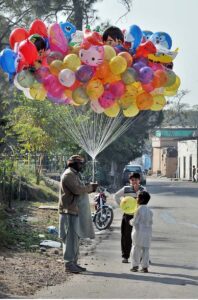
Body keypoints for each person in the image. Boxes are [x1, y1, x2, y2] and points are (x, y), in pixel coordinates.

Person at [58, 155, 98, 274]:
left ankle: (73, 262)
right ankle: (69, 264)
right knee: (70, 238)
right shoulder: (68, 175)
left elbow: (80, 188)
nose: (81, 166)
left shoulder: (74, 174)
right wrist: (90, 187)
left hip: (74, 211)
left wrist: (89, 187)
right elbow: (77, 190)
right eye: (79, 163)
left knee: (75, 238)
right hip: (68, 211)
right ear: (74, 164)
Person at [114, 172, 146, 263]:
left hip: (139, 216)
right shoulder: (126, 189)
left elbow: (145, 200)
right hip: (128, 215)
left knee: (139, 236)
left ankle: (140, 256)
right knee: (126, 236)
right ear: (130, 181)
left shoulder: (143, 189)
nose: (134, 182)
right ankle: (125, 256)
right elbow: (116, 196)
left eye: (136, 180)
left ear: (139, 180)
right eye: (132, 180)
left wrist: (137, 192)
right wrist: (122, 205)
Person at [130, 191, 153, 273]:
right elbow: (150, 222)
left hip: (138, 233)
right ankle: (145, 267)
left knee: (136, 249)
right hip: (148, 233)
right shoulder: (150, 211)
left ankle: (135, 266)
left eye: (138, 197)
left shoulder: (138, 209)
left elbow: (135, 222)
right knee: (146, 250)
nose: (136, 199)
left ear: (141, 199)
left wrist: (130, 221)